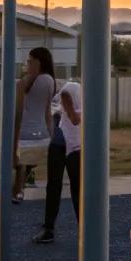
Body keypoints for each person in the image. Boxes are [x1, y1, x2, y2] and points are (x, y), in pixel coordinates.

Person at [32, 79, 81, 243]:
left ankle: (83, 228)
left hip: (74, 147)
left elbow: (74, 117)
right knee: (54, 186)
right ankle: (49, 228)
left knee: (76, 188)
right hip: (59, 146)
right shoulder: (57, 104)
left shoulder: (71, 94)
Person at [13, 47, 56, 203]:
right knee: (25, 163)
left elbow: (18, 110)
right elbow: (47, 112)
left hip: (25, 133)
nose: (27, 64)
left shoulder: (28, 81)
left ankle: (18, 190)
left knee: (20, 164)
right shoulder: (50, 80)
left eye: (30, 61)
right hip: (41, 133)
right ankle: (20, 187)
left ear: (38, 62)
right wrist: (51, 134)